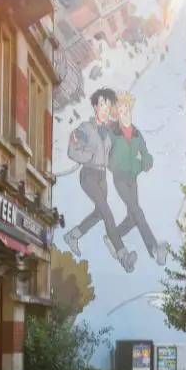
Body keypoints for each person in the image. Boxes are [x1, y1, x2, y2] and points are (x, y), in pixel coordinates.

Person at [65, 88, 136, 271]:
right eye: (102, 104)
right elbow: (72, 151)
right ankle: (122, 254)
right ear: (95, 106)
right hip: (88, 175)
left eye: (108, 105)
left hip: (102, 177)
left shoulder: (108, 133)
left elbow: (111, 158)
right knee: (107, 213)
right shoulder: (85, 129)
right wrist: (87, 157)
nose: (105, 108)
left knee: (99, 213)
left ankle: (73, 235)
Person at [109, 92, 171, 266]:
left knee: (132, 218)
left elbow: (146, 156)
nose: (125, 113)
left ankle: (112, 237)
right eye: (121, 111)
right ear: (117, 115)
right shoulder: (113, 132)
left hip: (132, 178)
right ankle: (154, 249)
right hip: (119, 178)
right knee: (138, 212)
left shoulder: (137, 134)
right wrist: (115, 163)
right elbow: (106, 153)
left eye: (127, 110)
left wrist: (144, 162)